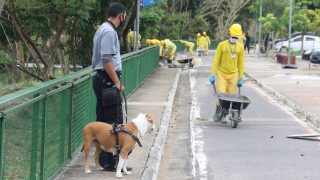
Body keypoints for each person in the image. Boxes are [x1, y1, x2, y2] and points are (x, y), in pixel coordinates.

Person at [91, 2, 130, 171]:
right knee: (114, 122)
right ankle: (111, 162)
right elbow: (107, 60)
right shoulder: (108, 31)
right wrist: (116, 81)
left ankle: (106, 161)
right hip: (107, 80)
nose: (124, 19)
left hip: (103, 80)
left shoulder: (102, 29)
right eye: (124, 16)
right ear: (120, 15)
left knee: (104, 120)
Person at [209, 23, 245, 120]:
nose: (235, 38)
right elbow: (216, 60)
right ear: (230, 34)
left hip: (234, 74)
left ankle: (227, 112)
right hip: (221, 74)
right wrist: (212, 74)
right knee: (221, 94)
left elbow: (241, 63)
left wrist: (241, 77)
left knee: (232, 97)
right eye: (234, 36)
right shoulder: (222, 45)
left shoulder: (240, 47)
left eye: (237, 36)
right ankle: (218, 110)